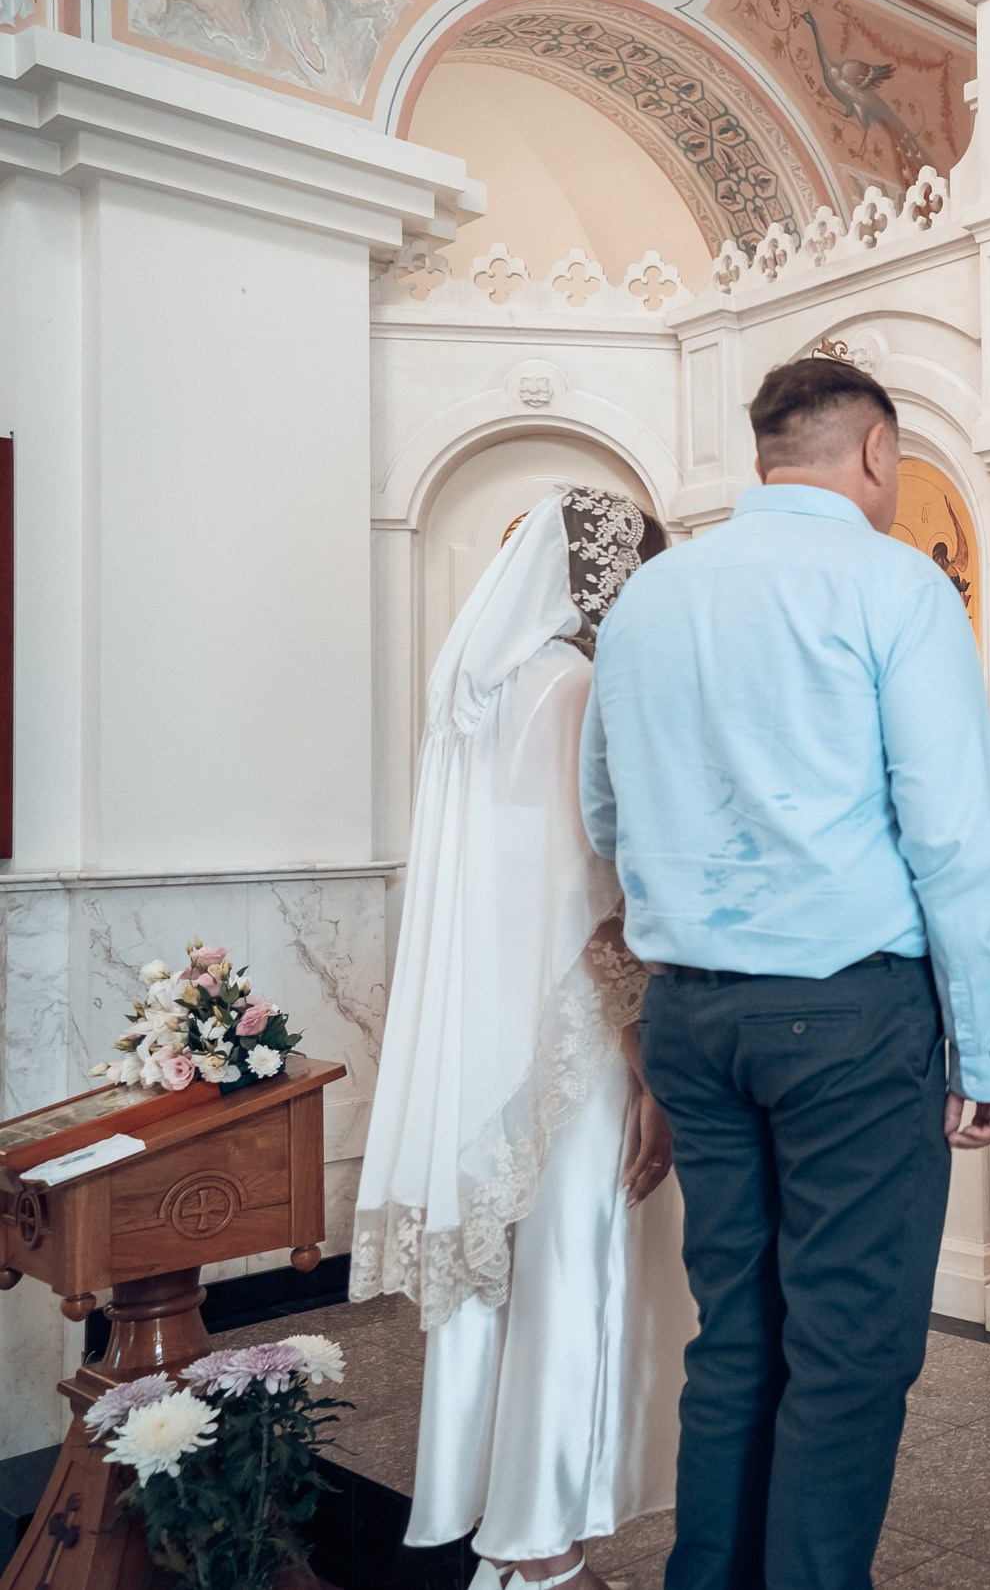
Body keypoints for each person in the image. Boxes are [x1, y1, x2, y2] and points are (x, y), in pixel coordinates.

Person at [579, 357, 990, 1590]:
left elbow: (604, 813)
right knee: (851, 1347)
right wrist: (982, 1046)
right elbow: (949, 833)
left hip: (690, 1015)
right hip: (847, 1017)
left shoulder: (652, 597)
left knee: (739, 1333)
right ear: (877, 452)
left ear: (768, 450)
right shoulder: (894, 584)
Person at [351, 488, 692, 1590]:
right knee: (574, 1268)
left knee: (500, 1274)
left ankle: (492, 1520)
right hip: (574, 1029)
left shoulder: (479, 692)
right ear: (613, 582)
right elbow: (601, 875)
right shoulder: (585, 684)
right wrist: (643, 1043)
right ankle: (538, 1548)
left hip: (485, 1034)